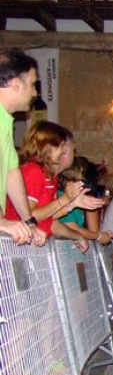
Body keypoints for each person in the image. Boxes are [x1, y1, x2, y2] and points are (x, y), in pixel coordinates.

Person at [5, 121, 103, 251]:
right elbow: (28, 217)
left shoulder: (50, 176)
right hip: (18, 246)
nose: (63, 151)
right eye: (61, 146)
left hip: (34, 246)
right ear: (48, 146)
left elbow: (50, 223)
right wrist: (65, 200)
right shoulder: (34, 171)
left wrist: (78, 236)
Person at [0, 48, 47, 246]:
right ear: (16, 84)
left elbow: (12, 173)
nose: (35, 93)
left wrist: (29, 222)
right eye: (33, 85)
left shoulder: (5, 121)